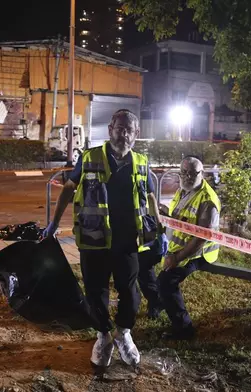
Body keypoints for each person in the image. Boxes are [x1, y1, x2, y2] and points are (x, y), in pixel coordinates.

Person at [42, 109, 165, 369]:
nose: (124, 133)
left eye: (129, 129)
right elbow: (68, 187)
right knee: (96, 292)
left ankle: (124, 333)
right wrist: (54, 222)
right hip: (93, 239)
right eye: (119, 128)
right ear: (110, 129)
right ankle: (103, 335)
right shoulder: (90, 157)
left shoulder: (142, 162)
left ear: (137, 134)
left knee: (130, 293)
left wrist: (159, 229)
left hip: (129, 240)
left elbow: (151, 197)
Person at [157, 157, 221, 340]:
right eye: (184, 172)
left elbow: (202, 237)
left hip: (198, 253)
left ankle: (184, 329)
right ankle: (159, 303)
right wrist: (165, 215)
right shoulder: (183, 190)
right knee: (144, 259)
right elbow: (181, 219)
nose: (188, 176)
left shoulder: (207, 200)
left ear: (202, 174)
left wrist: (177, 258)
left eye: (193, 173)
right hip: (179, 246)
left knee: (166, 281)